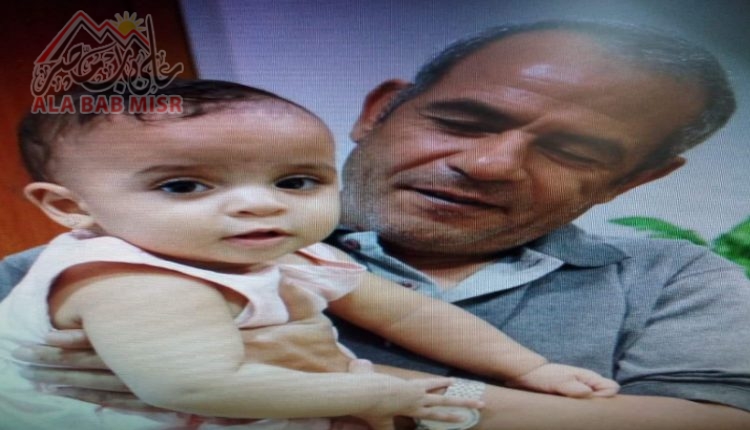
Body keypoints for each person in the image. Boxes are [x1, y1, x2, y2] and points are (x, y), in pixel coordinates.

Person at [4, 19, 750, 430]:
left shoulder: (672, 276)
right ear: (377, 112)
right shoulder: (95, 273)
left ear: (637, 180)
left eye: (293, 181)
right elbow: (196, 383)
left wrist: (513, 374)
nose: (488, 164)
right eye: (461, 121)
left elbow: (715, 426)